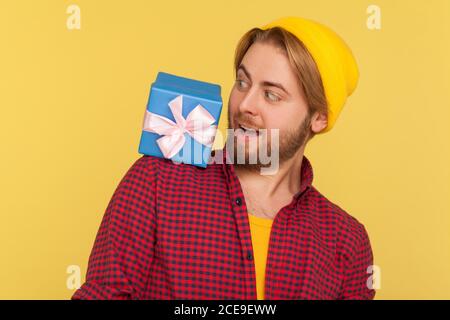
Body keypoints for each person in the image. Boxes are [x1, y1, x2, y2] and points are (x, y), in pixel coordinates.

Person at [72, 16, 375, 300]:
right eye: (242, 82)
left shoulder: (346, 242)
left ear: (318, 118)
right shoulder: (157, 181)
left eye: (272, 94)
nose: (245, 104)